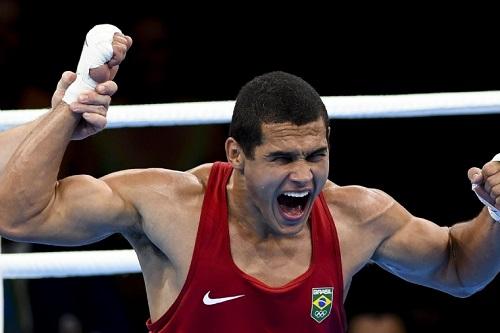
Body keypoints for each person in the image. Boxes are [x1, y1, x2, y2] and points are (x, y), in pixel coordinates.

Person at [0, 33, 499, 333]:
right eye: (282, 158)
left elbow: (458, 270)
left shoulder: (357, 216)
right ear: (235, 155)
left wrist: (496, 214)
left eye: (316, 154)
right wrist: (66, 115)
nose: (304, 175)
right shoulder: (168, 204)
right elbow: (19, 214)